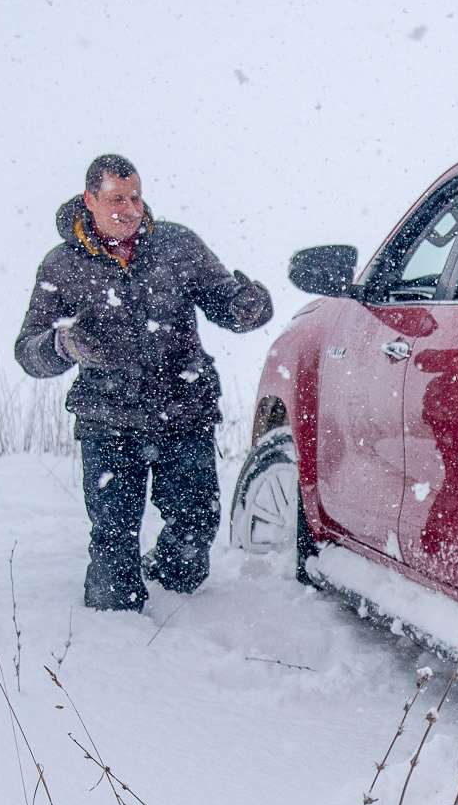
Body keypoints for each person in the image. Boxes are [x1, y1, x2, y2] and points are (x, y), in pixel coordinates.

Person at [15, 154, 272, 611]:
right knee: (114, 543)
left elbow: (224, 301)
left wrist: (248, 306)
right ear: (90, 200)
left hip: (183, 409)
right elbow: (28, 350)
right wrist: (65, 345)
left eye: (135, 196)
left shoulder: (176, 244)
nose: (130, 209)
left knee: (194, 537)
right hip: (107, 419)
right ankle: (116, 643)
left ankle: (180, 617)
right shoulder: (62, 266)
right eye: (116, 199)